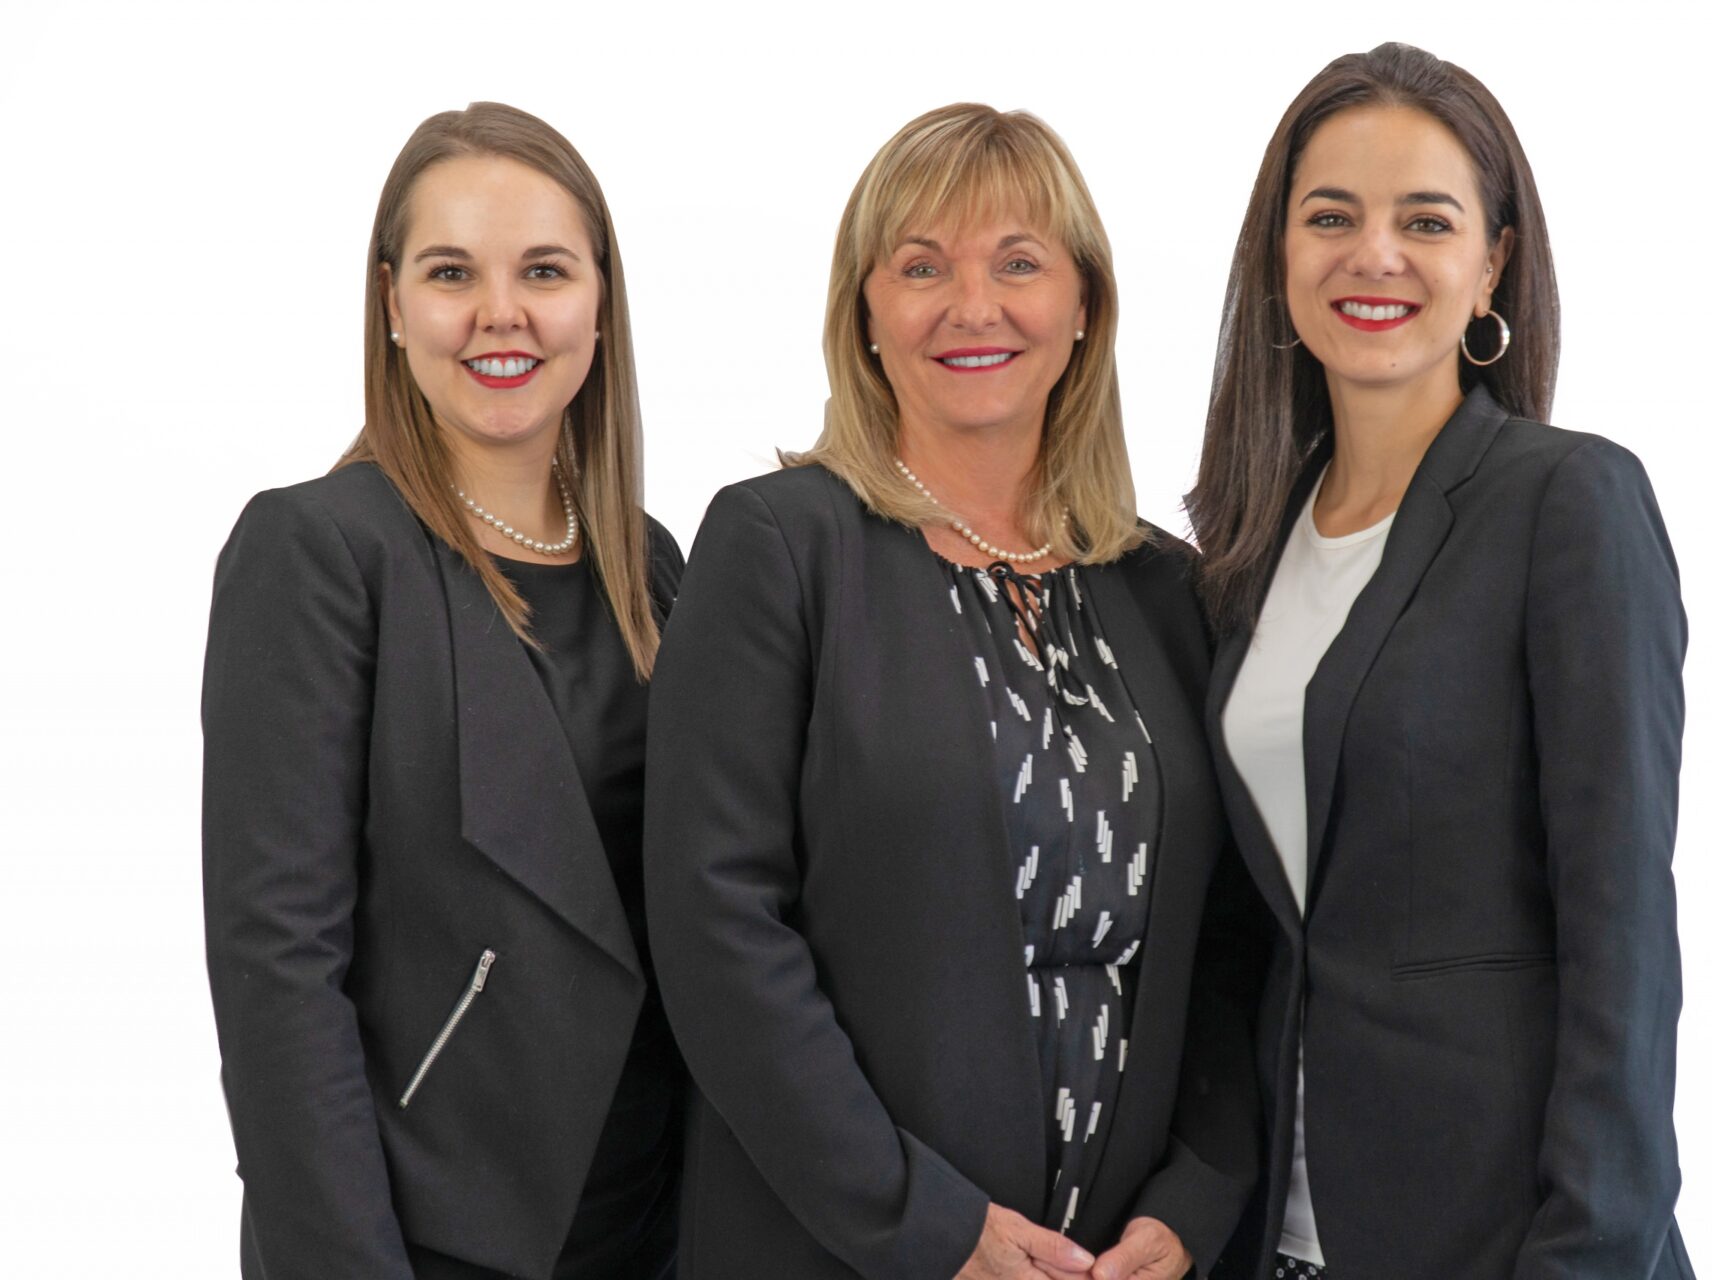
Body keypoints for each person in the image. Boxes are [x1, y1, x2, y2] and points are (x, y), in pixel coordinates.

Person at [643, 103, 1259, 1280]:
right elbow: (716, 927)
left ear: (1084, 307)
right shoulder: (781, 546)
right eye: (922, 266)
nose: (973, 306)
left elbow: (1228, 942)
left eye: (1018, 263)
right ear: (865, 314)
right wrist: (927, 1224)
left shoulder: (1166, 589)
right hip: (841, 1250)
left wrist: (1195, 1198)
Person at [1189, 43, 1694, 1279]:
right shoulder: (1247, 550)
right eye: (1331, 217)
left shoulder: (1567, 502)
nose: (1375, 254)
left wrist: (1582, 1255)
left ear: (1493, 265)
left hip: (1502, 1241)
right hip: (1286, 1240)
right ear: (1278, 254)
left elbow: (1623, 940)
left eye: (1426, 220)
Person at [202, 102, 683, 1280]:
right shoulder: (319, 553)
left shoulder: (652, 565)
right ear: (392, 303)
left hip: (655, 1229)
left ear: (601, 303)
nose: (499, 313)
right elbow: (278, 974)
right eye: (451, 271)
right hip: (431, 1240)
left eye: (544, 271)